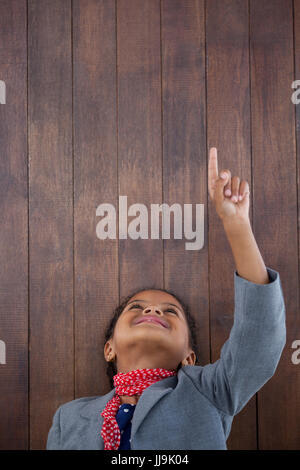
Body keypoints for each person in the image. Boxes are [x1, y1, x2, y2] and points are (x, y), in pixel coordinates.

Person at [46, 147, 286, 450]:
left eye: (169, 312)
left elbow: (259, 342)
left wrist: (236, 225)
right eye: (136, 307)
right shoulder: (68, 419)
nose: (152, 309)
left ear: (189, 357)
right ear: (110, 349)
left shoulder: (209, 392)